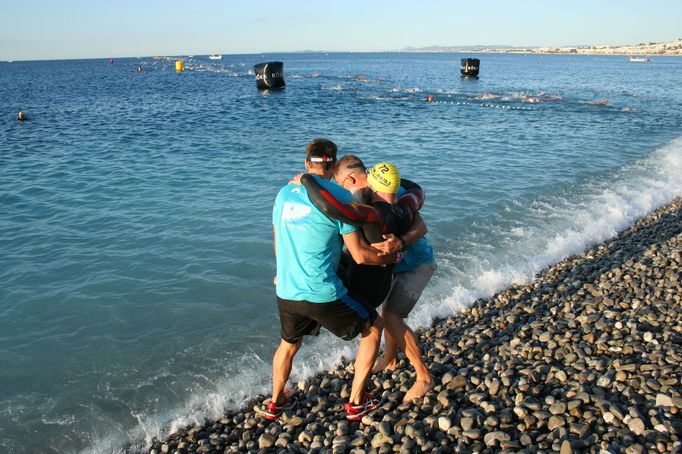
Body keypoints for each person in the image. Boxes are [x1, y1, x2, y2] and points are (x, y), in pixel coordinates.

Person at [265, 138, 397, 421]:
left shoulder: (283, 194)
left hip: (286, 289)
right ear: (335, 165)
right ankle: (356, 402)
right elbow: (360, 255)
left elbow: (279, 244)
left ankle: (276, 403)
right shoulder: (340, 197)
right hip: (322, 292)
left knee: (288, 344)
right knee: (374, 328)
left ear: (306, 163)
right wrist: (390, 256)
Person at [334, 157, 436, 402]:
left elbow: (421, 226)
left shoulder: (390, 192)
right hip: (394, 267)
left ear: (348, 180)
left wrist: (399, 242)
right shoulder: (368, 195)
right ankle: (390, 358)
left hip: (417, 265)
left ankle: (424, 378)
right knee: (386, 310)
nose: (340, 190)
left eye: (340, 185)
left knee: (392, 318)